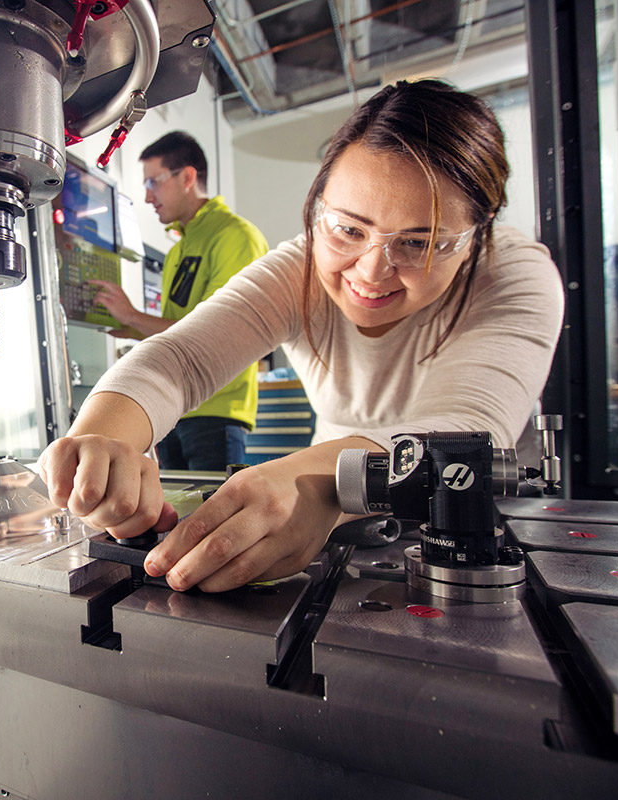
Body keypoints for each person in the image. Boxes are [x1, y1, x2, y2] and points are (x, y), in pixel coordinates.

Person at [40, 79, 564, 593]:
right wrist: (107, 436)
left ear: (478, 232)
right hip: (335, 516)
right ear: (318, 206)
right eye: (349, 230)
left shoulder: (516, 274)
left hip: (468, 532)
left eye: (419, 243)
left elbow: (469, 428)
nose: (373, 271)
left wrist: (325, 479)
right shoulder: (301, 267)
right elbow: (179, 360)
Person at [86, 131, 268, 471]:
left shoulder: (235, 236)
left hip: (215, 413)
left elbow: (219, 338)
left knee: (211, 520)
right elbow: (180, 337)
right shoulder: (177, 251)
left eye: (153, 182)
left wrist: (136, 317)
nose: (147, 196)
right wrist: (133, 327)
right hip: (171, 408)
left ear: (187, 177)